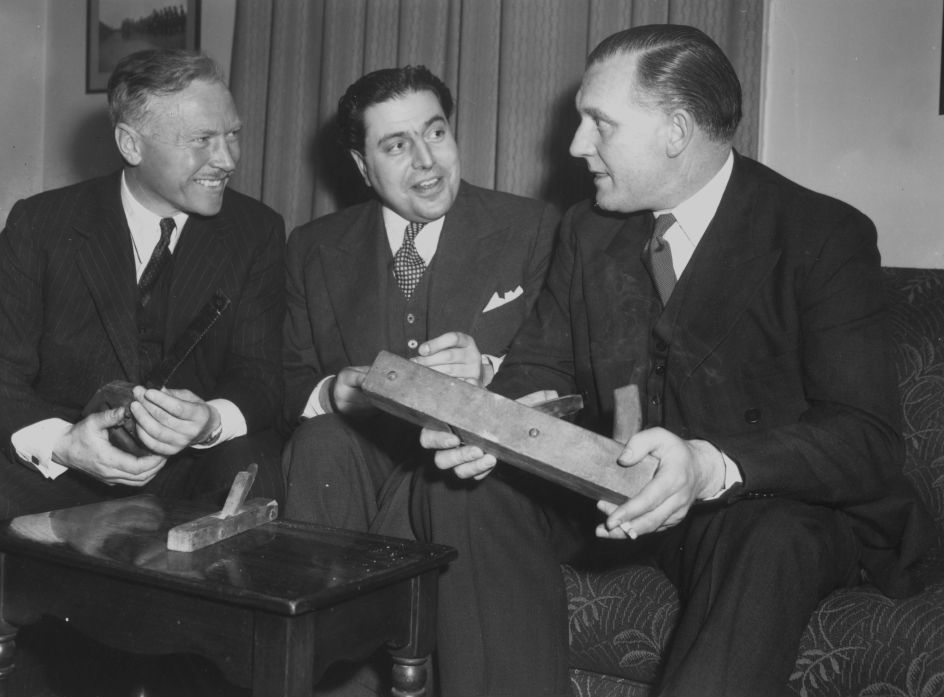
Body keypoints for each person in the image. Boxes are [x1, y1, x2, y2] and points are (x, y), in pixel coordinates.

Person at [417, 24, 932, 697]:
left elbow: (866, 440)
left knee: (771, 535)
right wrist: (492, 427)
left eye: (599, 124)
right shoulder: (588, 228)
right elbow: (537, 372)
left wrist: (710, 464)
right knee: (464, 490)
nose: (576, 145)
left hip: (760, 504)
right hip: (619, 489)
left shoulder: (822, 235)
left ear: (676, 131)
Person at [0, 48, 286, 522]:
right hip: (61, 471)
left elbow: (261, 377)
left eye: (233, 135)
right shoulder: (40, 223)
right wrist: (62, 445)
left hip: (192, 473)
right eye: (202, 139)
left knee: (257, 469)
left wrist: (209, 421)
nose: (227, 159)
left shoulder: (257, 230)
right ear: (131, 144)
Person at [281, 65, 560, 536]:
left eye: (435, 132)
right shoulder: (313, 248)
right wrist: (333, 395)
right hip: (356, 470)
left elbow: (562, 370)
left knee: (450, 485)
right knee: (322, 441)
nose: (427, 159)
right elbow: (283, 381)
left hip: (479, 474)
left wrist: (488, 373)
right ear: (361, 165)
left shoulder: (533, 228)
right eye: (396, 146)